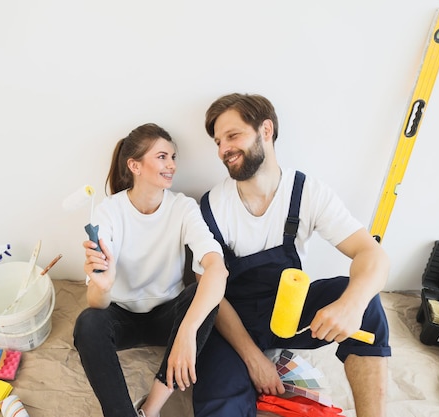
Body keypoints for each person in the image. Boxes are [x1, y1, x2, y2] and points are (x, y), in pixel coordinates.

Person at [192, 93, 391, 417]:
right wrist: (254, 360)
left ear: (265, 130)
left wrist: (352, 305)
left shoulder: (308, 193)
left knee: (367, 301)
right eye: (218, 142)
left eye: (232, 135)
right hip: (229, 319)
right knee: (219, 405)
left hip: (288, 311)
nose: (222, 149)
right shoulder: (212, 206)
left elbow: (372, 254)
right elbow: (207, 289)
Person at [73, 123, 228, 417]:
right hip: (121, 317)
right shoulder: (108, 211)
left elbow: (217, 270)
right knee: (88, 322)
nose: (171, 165)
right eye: (162, 157)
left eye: (173, 157)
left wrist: (186, 333)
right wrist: (103, 286)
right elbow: (97, 304)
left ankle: (150, 409)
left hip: (166, 317)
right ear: (135, 165)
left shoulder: (184, 208)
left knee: (203, 294)